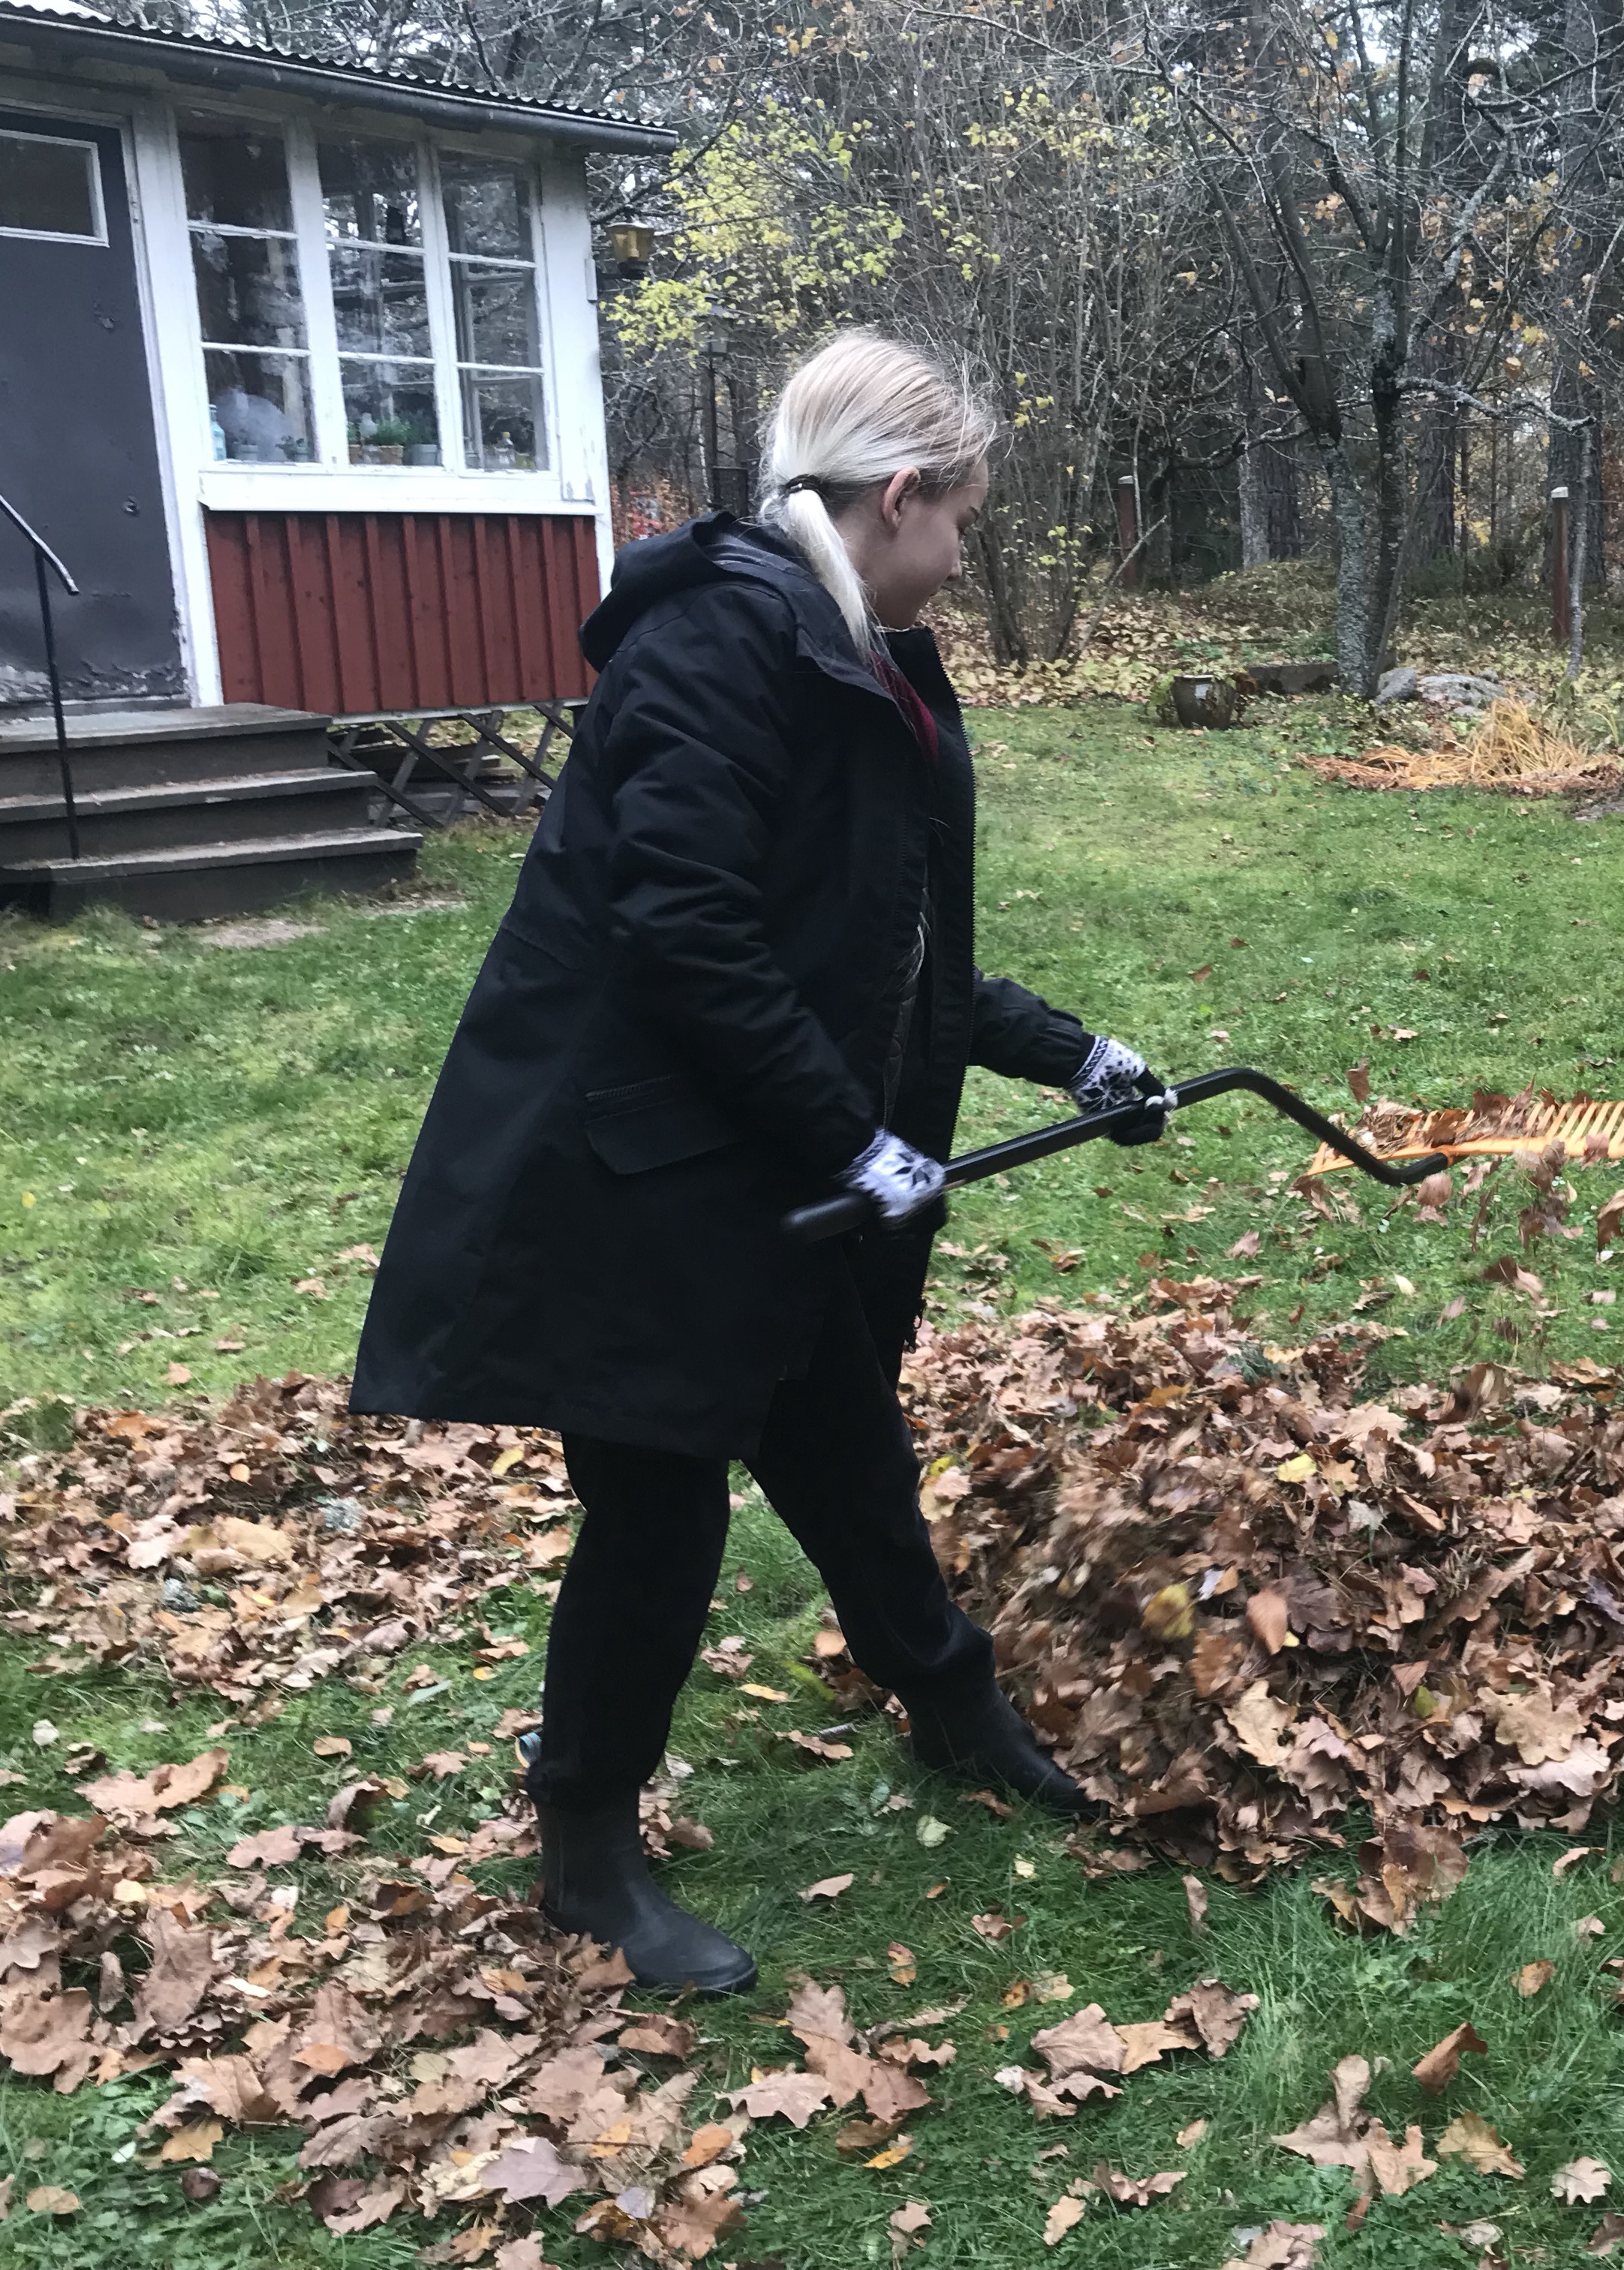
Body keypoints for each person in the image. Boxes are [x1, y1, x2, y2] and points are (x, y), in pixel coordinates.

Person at [350, 333, 1162, 1993]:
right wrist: (850, 1136)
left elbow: (888, 957)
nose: (965, 557)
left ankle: (951, 1704)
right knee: (658, 1513)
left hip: (757, 1163)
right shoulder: (718, 642)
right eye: (964, 522)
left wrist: (1073, 1053)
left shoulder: (858, 650)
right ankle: (586, 1846)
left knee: (850, 1456)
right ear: (901, 495)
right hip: (634, 1173)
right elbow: (689, 931)